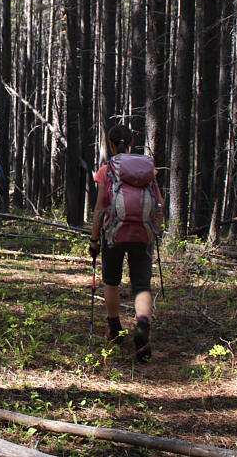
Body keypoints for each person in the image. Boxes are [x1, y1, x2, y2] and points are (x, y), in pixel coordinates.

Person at [89, 124, 164, 363]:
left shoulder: (106, 170)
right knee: (141, 285)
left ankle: (114, 329)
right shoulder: (148, 170)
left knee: (111, 282)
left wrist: (94, 239)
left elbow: (100, 207)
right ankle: (142, 328)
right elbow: (160, 203)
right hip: (143, 234)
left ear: (111, 145)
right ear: (131, 143)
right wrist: (154, 230)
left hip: (114, 234)